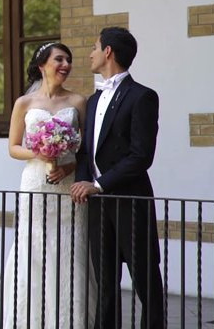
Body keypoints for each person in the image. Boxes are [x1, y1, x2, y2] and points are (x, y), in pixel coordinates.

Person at [0, 42, 97, 329]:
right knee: (34, 245)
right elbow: (13, 147)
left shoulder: (78, 102)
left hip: (67, 184)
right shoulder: (24, 104)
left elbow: (86, 150)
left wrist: (67, 166)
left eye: (69, 60)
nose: (66, 65)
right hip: (36, 183)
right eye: (59, 59)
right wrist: (39, 153)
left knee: (68, 247)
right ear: (42, 65)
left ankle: (68, 320)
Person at [70, 27, 165, 329]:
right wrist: (82, 182)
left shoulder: (142, 97)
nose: (90, 53)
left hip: (130, 200)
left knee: (145, 277)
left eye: (94, 47)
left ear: (108, 52)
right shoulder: (93, 100)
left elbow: (141, 156)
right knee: (106, 280)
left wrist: (97, 184)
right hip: (97, 205)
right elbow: (86, 152)